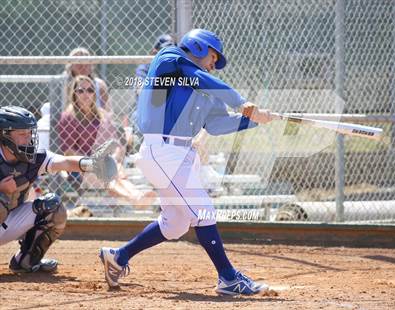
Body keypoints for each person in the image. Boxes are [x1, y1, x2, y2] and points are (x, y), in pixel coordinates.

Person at [100, 29, 273, 295]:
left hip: (180, 154)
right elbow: (198, 76)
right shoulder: (170, 57)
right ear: (199, 47)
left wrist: (252, 119)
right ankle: (228, 277)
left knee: (176, 224)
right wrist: (241, 102)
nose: (214, 65)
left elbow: (216, 124)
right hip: (162, 149)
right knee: (203, 211)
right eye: (213, 57)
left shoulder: (204, 88)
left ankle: (119, 256)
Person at [0, 105, 117, 273]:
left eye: (29, 134)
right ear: (5, 136)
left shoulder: (34, 157)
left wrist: (93, 164)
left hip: (9, 223)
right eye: (22, 135)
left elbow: (65, 162)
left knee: (52, 207)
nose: (28, 140)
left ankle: (26, 261)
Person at [58, 75, 156, 208]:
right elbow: (68, 151)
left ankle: (137, 196)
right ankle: (134, 198)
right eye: (81, 90)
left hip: (105, 160)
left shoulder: (101, 115)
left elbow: (115, 143)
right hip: (80, 165)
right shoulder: (68, 117)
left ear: (94, 93)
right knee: (104, 174)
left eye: (90, 90)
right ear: (74, 94)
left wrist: (115, 157)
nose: (86, 94)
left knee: (116, 173)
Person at [65, 47, 111, 112]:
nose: (83, 65)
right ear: (71, 66)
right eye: (79, 62)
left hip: (96, 119)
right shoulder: (64, 84)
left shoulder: (99, 85)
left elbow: (108, 110)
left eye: (86, 62)